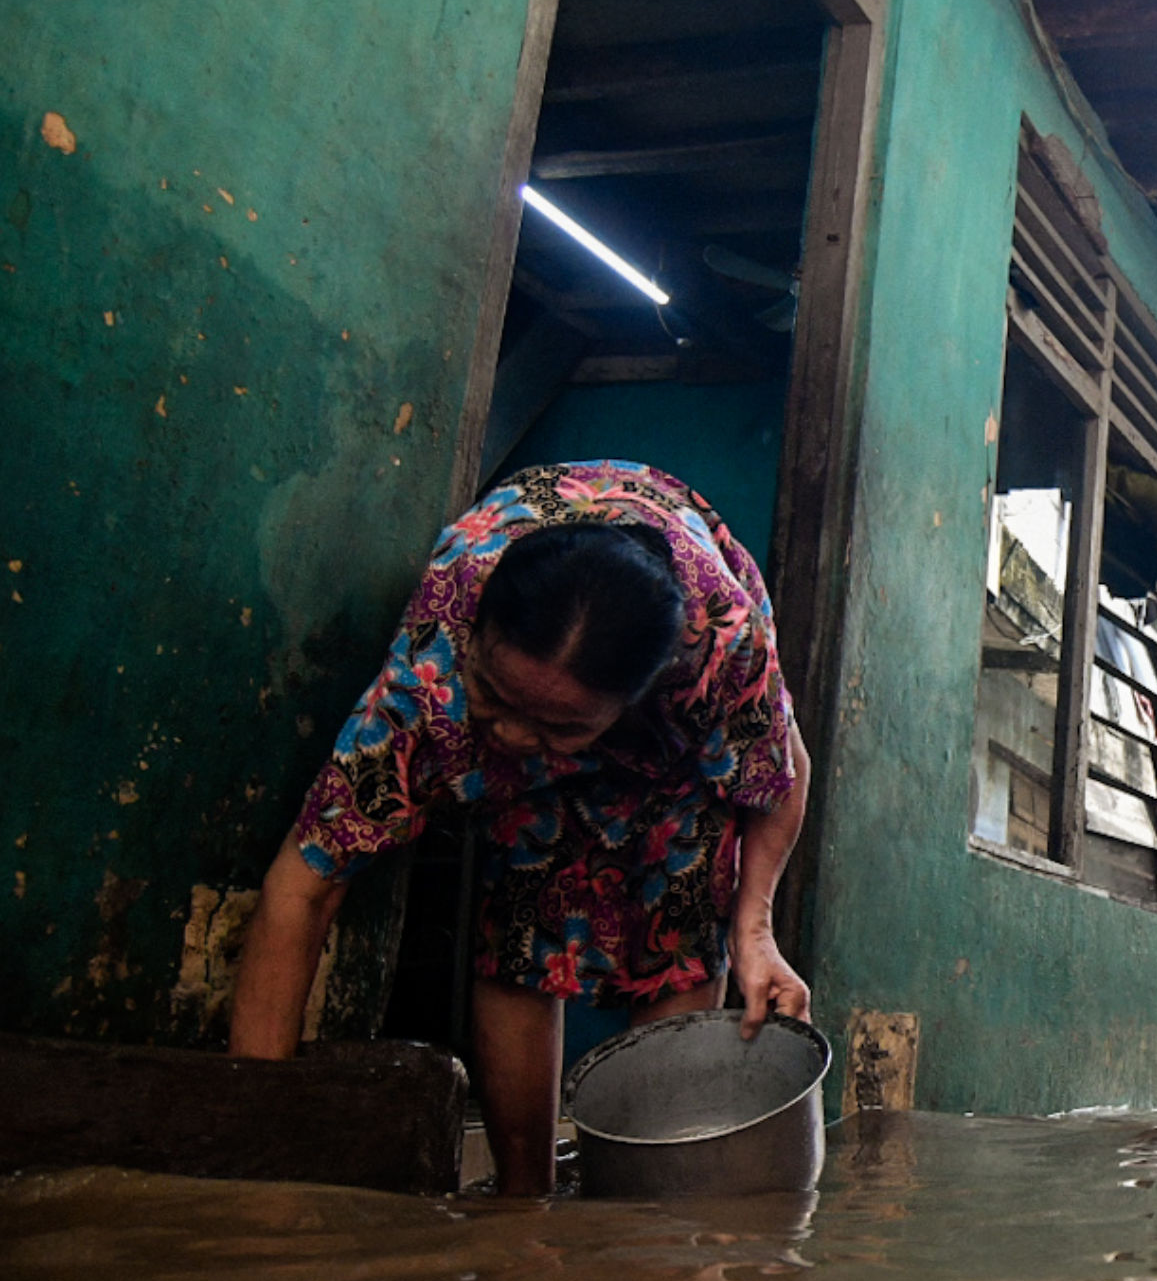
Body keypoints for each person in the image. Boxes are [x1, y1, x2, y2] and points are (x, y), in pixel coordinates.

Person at [228, 461, 813, 1196]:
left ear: (632, 702)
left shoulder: (719, 650)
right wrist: (257, 1148)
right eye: (495, 696)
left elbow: (781, 772)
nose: (508, 733)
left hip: (671, 759)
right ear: (474, 637)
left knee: (681, 925)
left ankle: (653, 1214)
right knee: (525, 922)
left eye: (559, 726)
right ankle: (522, 1202)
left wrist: (754, 931)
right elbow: (304, 886)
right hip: (508, 627)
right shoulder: (433, 664)